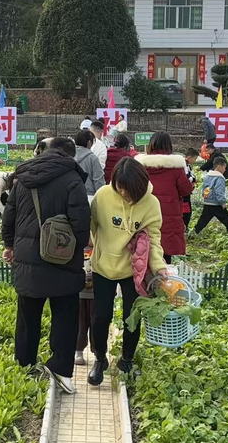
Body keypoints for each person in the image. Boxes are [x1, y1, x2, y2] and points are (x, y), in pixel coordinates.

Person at [2, 137, 91, 394]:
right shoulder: (72, 179)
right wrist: (75, 248)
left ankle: (25, 364)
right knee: (65, 314)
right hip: (62, 258)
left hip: (27, 257)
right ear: (70, 156)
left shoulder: (23, 177)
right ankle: (60, 369)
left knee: (28, 314)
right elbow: (80, 222)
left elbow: (10, 215)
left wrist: (10, 246)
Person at [88, 157, 166, 384]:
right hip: (103, 266)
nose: (124, 193)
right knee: (101, 316)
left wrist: (159, 268)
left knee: (132, 317)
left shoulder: (151, 204)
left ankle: (127, 359)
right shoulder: (103, 195)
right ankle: (100, 358)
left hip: (134, 270)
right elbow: (91, 227)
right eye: (120, 188)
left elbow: (154, 239)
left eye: (129, 191)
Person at [135, 132, 193, 264]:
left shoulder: (141, 165)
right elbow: (186, 190)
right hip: (169, 214)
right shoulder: (175, 167)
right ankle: (163, 280)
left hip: (145, 211)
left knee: (145, 245)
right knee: (166, 250)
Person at [194, 157, 228, 234]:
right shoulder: (220, 178)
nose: (225, 170)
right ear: (219, 167)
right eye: (224, 167)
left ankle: (196, 230)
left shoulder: (208, 176)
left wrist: (205, 196)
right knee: (225, 217)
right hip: (216, 203)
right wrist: (223, 203)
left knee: (204, 218)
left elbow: (204, 188)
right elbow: (219, 191)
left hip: (207, 201)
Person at [74, 130, 105, 195]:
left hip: (72, 194)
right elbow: (98, 181)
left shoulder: (70, 155)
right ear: (89, 142)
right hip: (89, 194)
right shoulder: (93, 158)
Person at [181, 148, 199, 228]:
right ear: (189, 157)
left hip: (186, 192)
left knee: (186, 211)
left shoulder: (187, 165)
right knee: (186, 212)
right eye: (195, 159)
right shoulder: (184, 165)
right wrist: (194, 179)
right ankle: (184, 228)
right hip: (184, 193)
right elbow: (187, 177)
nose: (195, 161)